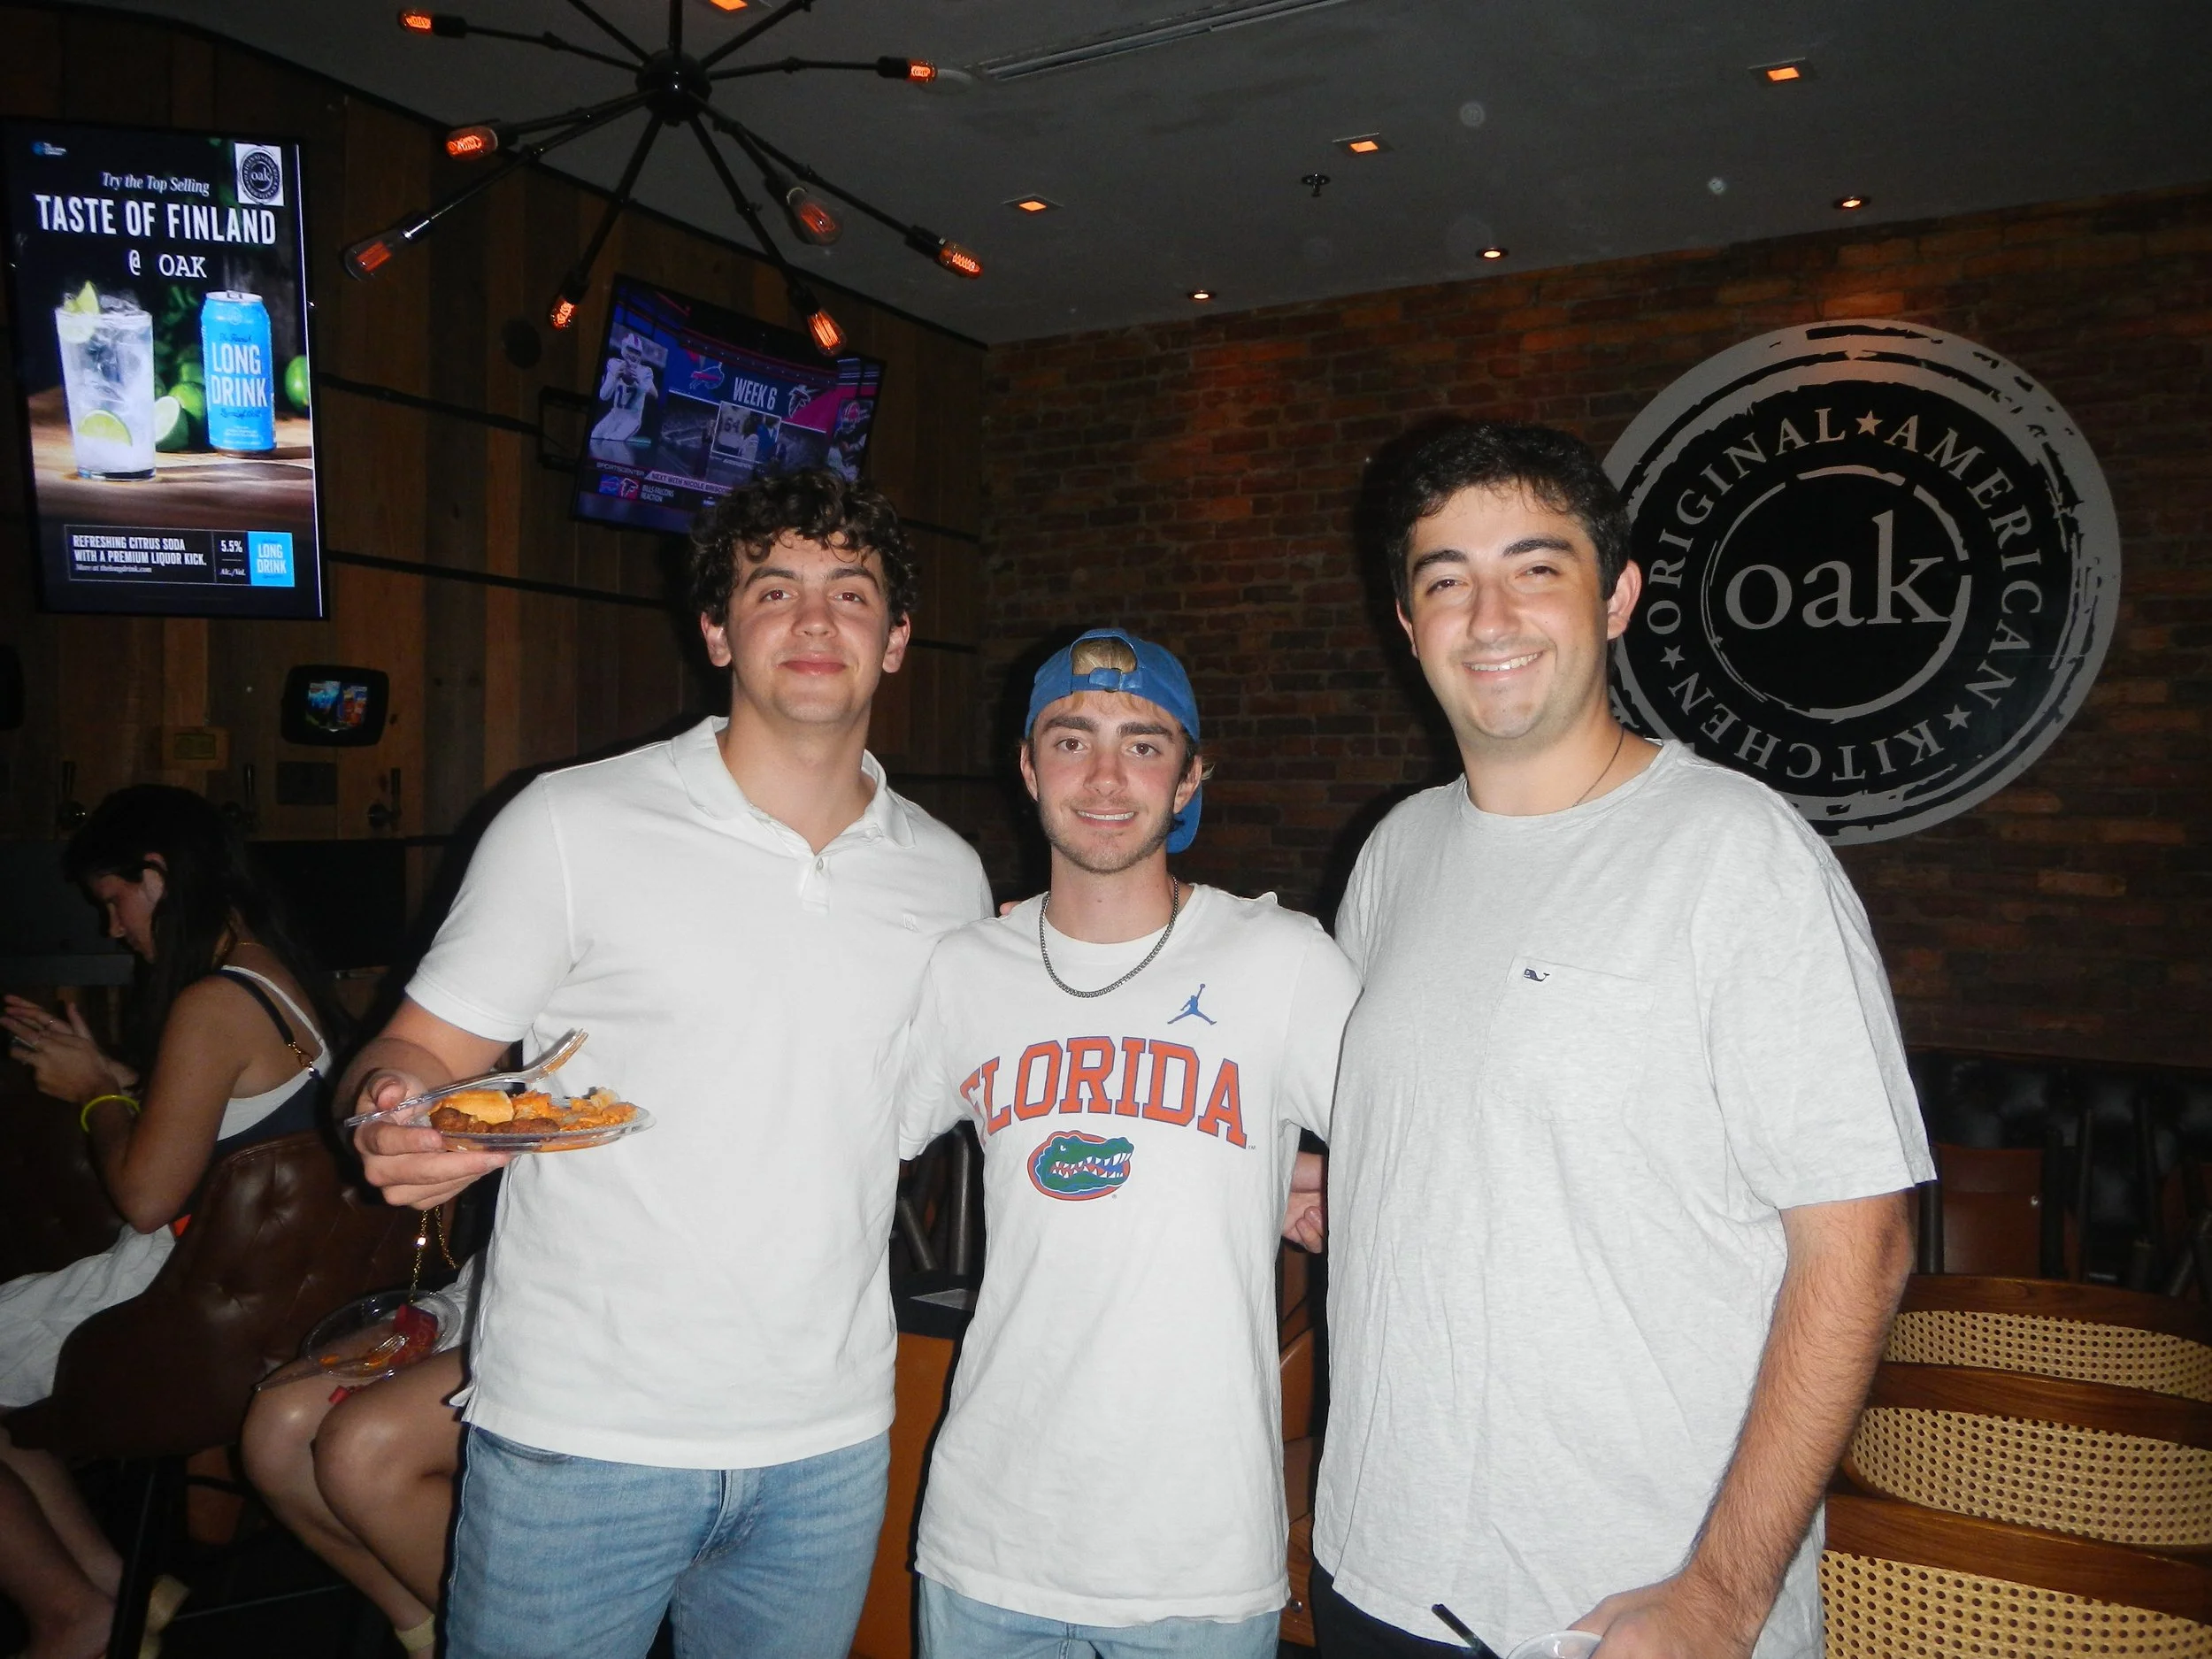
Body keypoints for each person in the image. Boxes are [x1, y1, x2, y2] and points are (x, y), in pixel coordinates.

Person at [342, 469, 991, 1659]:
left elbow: (911, 1115)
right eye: (773, 586)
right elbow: (416, 1048)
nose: (813, 618)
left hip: (829, 1438)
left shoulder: (949, 877)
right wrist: (396, 1107)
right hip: (579, 1436)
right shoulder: (571, 823)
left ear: (896, 640)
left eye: (852, 592)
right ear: (715, 628)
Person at [1311, 422, 1930, 1659]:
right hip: (1375, 1563)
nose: (1489, 614)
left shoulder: (1735, 852)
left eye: (1536, 567)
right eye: (1445, 579)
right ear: (1406, 618)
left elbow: (1861, 1245)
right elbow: (1447, 1121)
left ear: (1619, 597)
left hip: (1627, 1606)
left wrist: (1726, 1588)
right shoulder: (1397, 853)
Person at [894, 628, 1358, 1658]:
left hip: (1194, 1559)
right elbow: (836, 1144)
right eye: (1071, 740)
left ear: (1191, 777)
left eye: (1143, 745)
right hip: (988, 1541)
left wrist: (1321, 1179)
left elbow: (1429, 1155)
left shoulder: (1281, 962)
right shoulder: (964, 968)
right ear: (1027, 767)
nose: (1105, 776)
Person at [0, 785, 336, 1659]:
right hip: (248, 1298)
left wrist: (94, 1097)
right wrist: (111, 1076)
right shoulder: (274, 977)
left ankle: (75, 1613)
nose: (113, 929)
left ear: (157, 875)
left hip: (180, 1314)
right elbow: (227, 1124)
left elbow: (145, 1197)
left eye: (114, 902)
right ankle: (116, 1591)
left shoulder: (213, 1002)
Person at [241, 1261, 476, 1656]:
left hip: (591, 1317)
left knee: (364, 1452)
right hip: (503, 1280)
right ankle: (428, 1634)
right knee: (279, 1433)